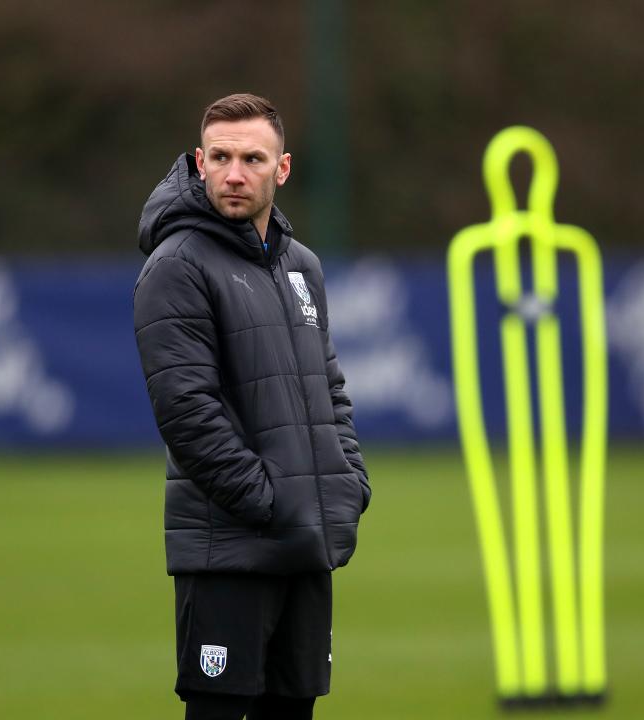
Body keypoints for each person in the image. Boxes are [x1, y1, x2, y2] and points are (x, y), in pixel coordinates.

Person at [133, 93, 371, 720]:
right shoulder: (176, 265)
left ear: (282, 169)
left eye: (252, 159)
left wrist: (347, 482)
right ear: (199, 162)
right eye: (221, 158)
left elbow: (330, 388)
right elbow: (187, 410)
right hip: (230, 549)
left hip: (305, 544)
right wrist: (269, 501)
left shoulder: (302, 266)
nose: (234, 173)